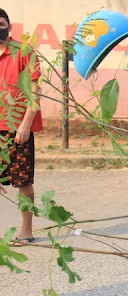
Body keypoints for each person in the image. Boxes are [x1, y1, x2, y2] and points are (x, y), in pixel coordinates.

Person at [0, 8, 42, 245]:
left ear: (9, 26)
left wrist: (25, 125)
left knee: (22, 180)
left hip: (17, 128)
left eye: (2, 23)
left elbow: (36, 90)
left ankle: (26, 230)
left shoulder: (24, 52)